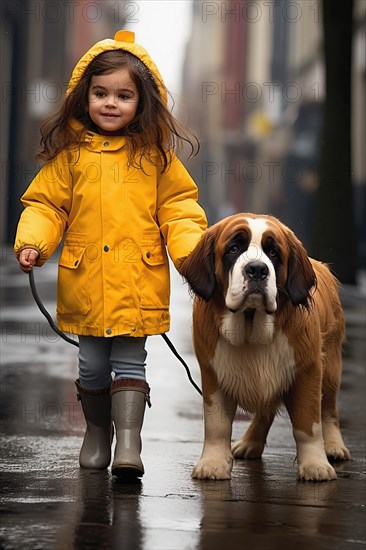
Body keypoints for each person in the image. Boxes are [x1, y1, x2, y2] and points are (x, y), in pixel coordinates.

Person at [14, 30, 207, 479]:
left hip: (137, 282)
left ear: (143, 103)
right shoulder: (70, 156)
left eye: (123, 95)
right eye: (101, 93)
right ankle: (97, 434)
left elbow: (179, 210)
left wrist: (191, 254)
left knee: (129, 361)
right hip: (85, 282)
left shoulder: (156, 158)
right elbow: (47, 205)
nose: (111, 103)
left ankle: (129, 443)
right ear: (84, 98)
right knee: (90, 364)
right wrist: (34, 242)